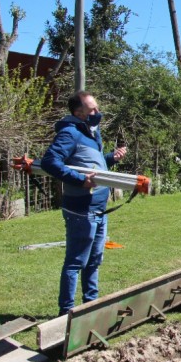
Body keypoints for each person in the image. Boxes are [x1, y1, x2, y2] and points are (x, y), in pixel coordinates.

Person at [41, 91, 127, 315]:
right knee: (76, 262)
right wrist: (80, 181)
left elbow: (90, 164)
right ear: (78, 113)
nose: (98, 113)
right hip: (81, 210)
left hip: (99, 209)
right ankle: (66, 312)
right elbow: (51, 161)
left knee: (94, 260)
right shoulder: (70, 133)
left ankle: (91, 306)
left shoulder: (90, 133)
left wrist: (110, 158)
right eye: (92, 110)